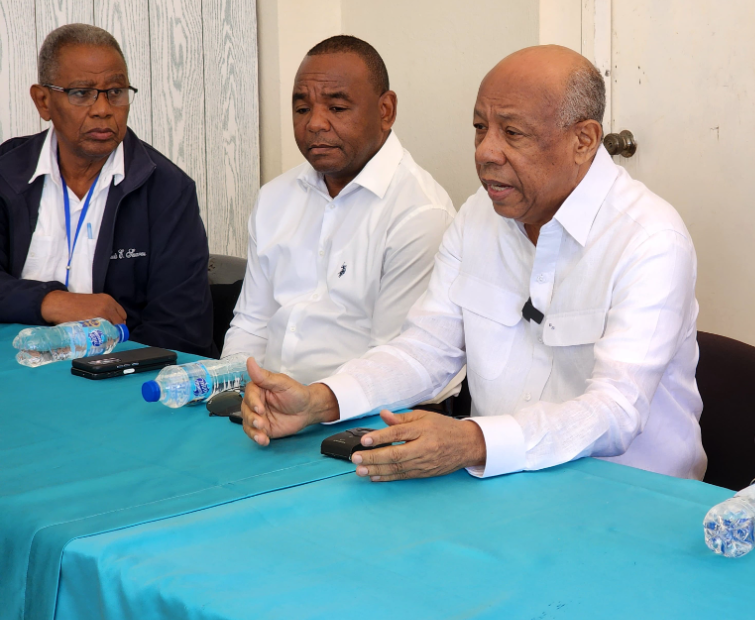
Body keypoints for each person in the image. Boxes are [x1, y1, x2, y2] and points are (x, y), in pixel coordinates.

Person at [240, 45, 705, 482]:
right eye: (480, 128)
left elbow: (615, 409)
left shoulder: (650, 240)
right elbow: (425, 351)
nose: (485, 152)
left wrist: (473, 441)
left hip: (627, 495)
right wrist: (320, 400)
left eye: (512, 133)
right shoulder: (478, 217)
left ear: (583, 140)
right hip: (500, 481)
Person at [221, 36, 456, 385]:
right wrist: (233, 389)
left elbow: (395, 364)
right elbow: (251, 325)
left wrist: (309, 404)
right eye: (302, 109)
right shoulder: (274, 197)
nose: (315, 123)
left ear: (385, 111)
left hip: (368, 408)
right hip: (266, 399)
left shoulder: (419, 212)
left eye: (337, 108)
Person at [0, 24, 213, 355]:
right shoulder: (6, 171)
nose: (103, 109)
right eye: (81, 93)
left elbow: (181, 331)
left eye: (116, 92)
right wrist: (50, 301)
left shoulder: (168, 191)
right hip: (16, 365)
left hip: (117, 371)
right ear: (43, 101)